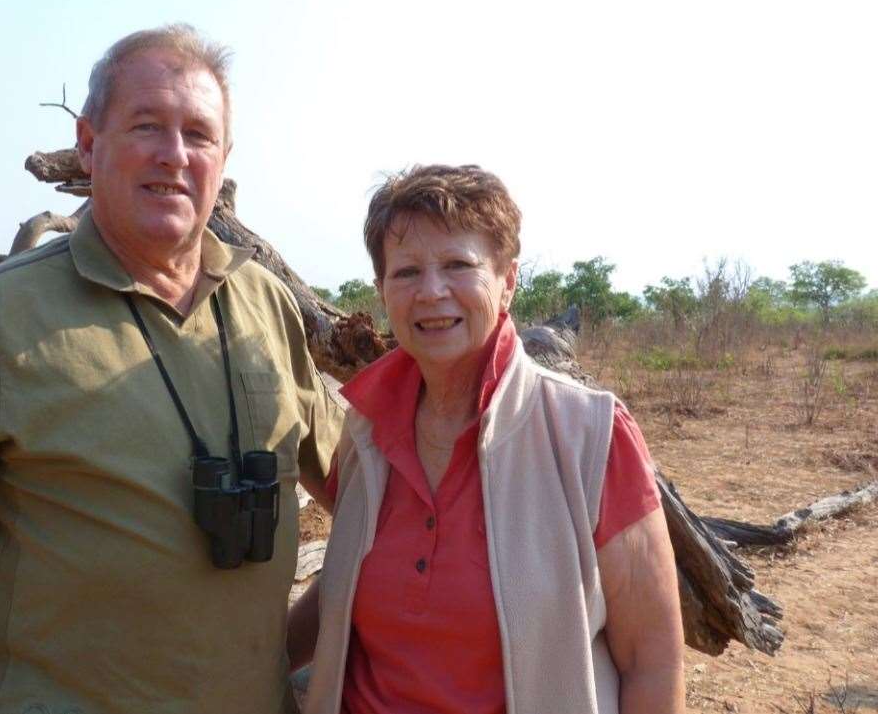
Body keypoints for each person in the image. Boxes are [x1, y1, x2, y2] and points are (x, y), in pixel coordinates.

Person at [0, 24, 342, 714]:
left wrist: (286, 654)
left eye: (199, 134)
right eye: (148, 125)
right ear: (89, 146)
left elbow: (365, 500)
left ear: (225, 157)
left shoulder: (266, 304)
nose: (175, 155)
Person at [289, 165, 684, 714]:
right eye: (406, 272)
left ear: (508, 281)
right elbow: (346, 585)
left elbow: (652, 661)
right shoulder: (365, 433)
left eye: (458, 265)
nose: (431, 291)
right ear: (381, 292)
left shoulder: (589, 437)